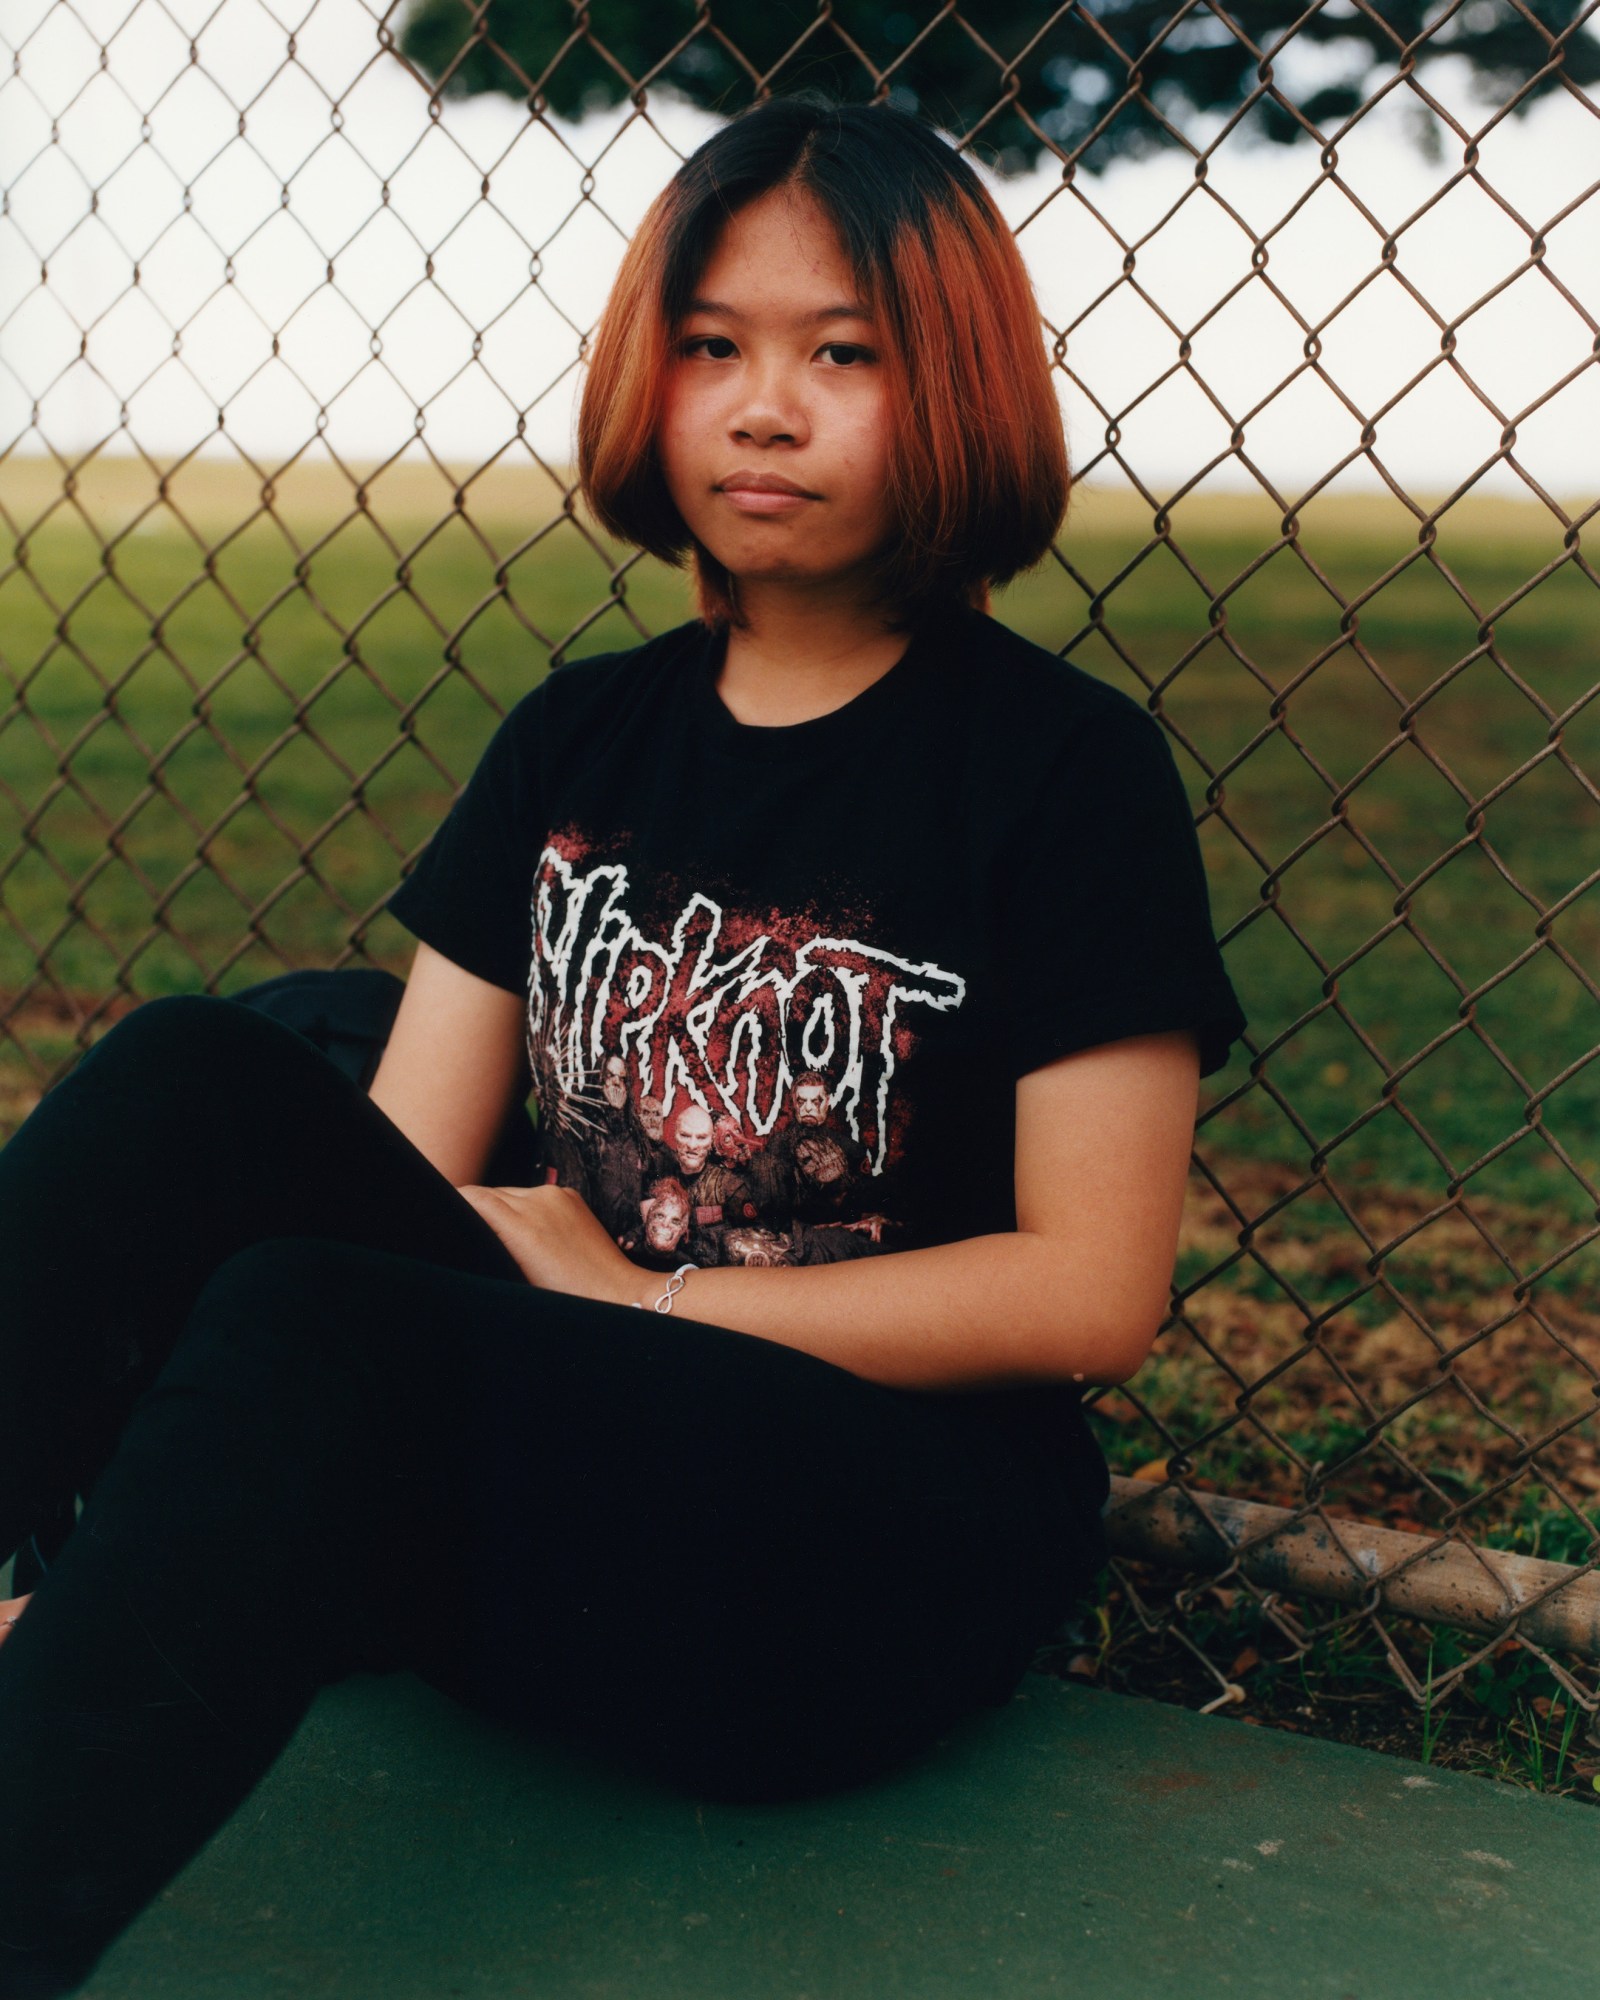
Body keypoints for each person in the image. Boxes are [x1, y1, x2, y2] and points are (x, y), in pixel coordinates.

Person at [0, 93, 1245, 1997]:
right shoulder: (582, 738)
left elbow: (1090, 1291)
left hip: (852, 1550)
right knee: (196, 1077)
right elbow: (390, 1187)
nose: (766, 407)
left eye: (846, 355)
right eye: (712, 349)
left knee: (313, 1329)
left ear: (964, 385)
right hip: (570, 1481)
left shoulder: (1062, 775)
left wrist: (644, 1306)